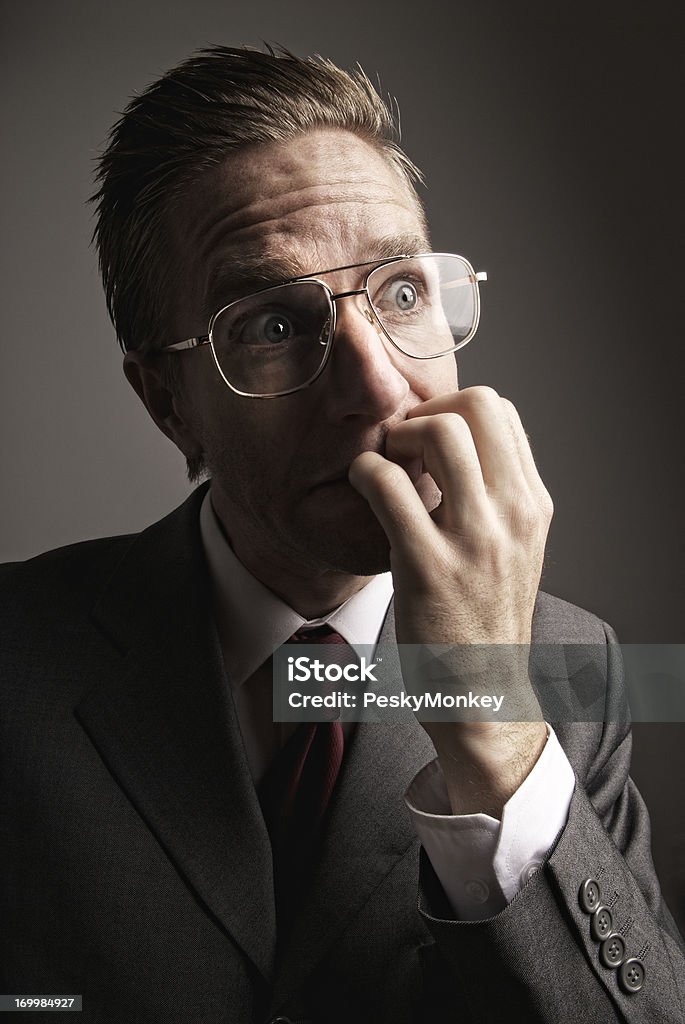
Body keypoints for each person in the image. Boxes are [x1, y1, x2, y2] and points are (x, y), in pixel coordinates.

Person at [1, 45, 683, 1024]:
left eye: (402, 292)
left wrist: (490, 719)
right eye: (272, 325)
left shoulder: (575, 671)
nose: (373, 386)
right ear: (167, 401)